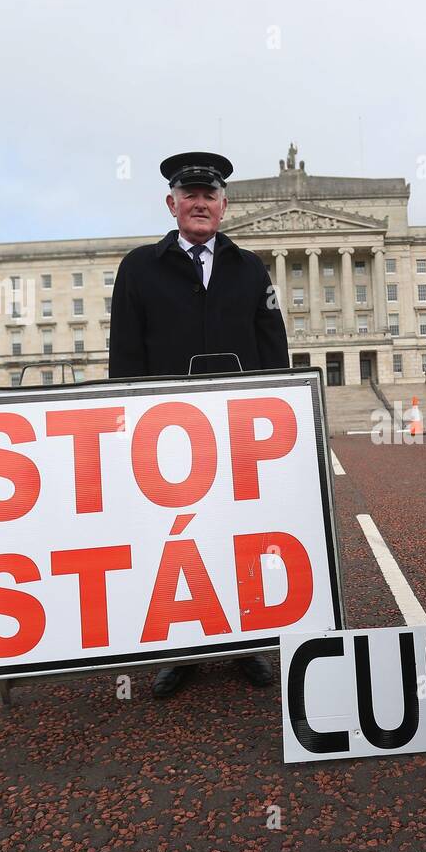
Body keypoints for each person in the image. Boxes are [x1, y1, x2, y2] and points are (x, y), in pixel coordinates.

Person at [109, 151, 289, 696]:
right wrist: (128, 425)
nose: (199, 204)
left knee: (237, 537)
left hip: (236, 431)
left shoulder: (250, 267)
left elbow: (272, 348)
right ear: (172, 204)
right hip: (166, 433)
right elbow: (125, 356)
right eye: (189, 195)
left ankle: (245, 643)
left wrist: (275, 419)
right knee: (175, 541)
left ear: (224, 205)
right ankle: (181, 648)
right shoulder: (139, 267)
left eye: (209, 195)